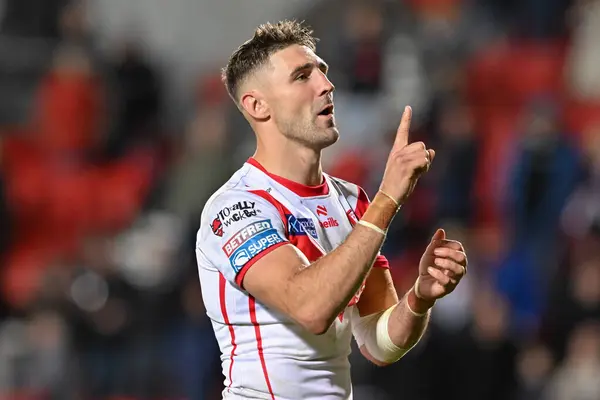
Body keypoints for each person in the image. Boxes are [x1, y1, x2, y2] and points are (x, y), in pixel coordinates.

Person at [195, 20, 468, 400]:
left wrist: (420, 297)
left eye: (322, 72)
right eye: (302, 76)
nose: (326, 85)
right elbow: (310, 307)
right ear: (258, 105)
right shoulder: (237, 207)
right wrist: (388, 198)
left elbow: (379, 342)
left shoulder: (350, 201)